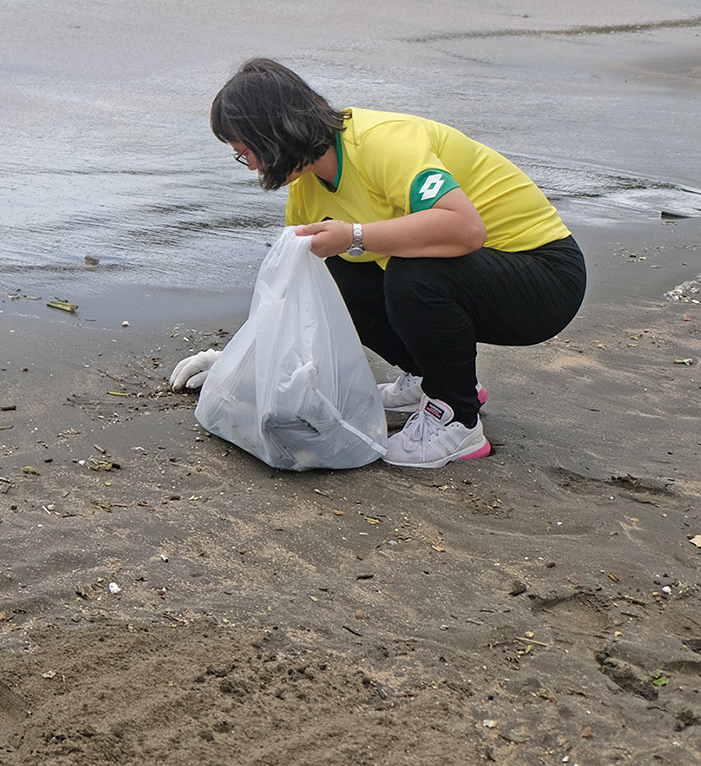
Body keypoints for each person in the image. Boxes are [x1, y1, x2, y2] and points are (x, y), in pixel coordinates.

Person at [178, 58, 585, 469]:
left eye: (246, 152)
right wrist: (235, 364)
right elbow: (292, 294)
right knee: (329, 270)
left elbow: (465, 229)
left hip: (543, 277)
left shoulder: (379, 142)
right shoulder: (307, 189)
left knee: (414, 275)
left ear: (274, 132)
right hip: (477, 279)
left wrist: (355, 235)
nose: (250, 166)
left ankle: (458, 421)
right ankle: (435, 380)